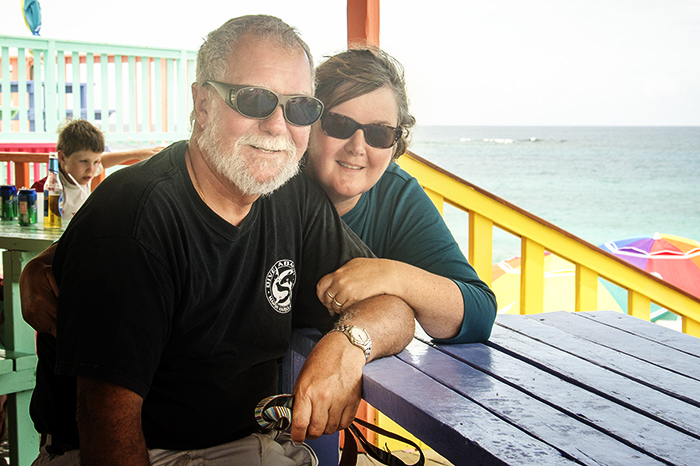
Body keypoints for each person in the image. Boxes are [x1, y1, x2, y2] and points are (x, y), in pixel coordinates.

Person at [20, 15, 415, 466]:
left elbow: (395, 309)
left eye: (300, 108)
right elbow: (106, 432)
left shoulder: (293, 200)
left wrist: (348, 344)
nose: (277, 125)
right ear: (203, 104)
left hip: (245, 445)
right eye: (254, 100)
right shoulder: (135, 219)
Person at [306, 46, 497, 343]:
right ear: (308, 123)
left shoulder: (396, 195)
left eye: (379, 134)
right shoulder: (274, 183)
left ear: (396, 142)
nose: (357, 147)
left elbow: (479, 314)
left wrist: (393, 276)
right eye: (340, 124)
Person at [31, 118, 163, 221]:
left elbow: (104, 161)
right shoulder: (46, 190)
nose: (91, 169)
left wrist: (137, 154)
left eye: (96, 162)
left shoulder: (81, 174)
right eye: (84, 161)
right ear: (62, 158)